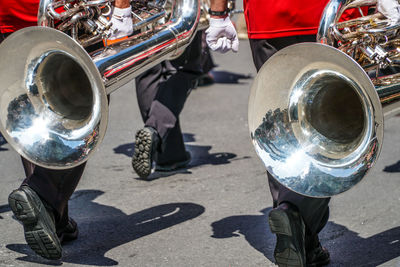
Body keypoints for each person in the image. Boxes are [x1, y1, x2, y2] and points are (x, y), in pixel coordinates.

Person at [205, 0, 400, 266]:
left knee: (282, 118)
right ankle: (294, 215)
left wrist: (218, 13)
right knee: (331, 120)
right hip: (325, 11)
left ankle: (293, 221)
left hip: (268, 17)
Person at [0, 0, 133, 260]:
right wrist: (122, 8)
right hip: (66, 12)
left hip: (10, 12)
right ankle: (41, 192)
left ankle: (56, 219)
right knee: (79, 103)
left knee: (34, 101)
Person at [132, 31, 203, 178]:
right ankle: (155, 130)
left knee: (146, 70)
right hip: (173, 10)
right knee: (185, 69)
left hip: (137, 12)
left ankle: (169, 153)